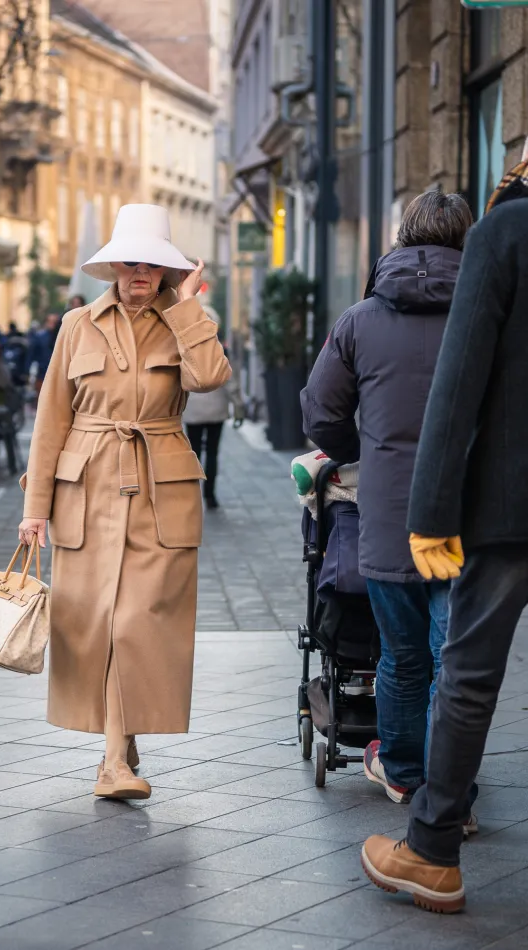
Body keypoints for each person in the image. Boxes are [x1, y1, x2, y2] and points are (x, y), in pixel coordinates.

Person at [18, 203, 230, 800]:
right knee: (99, 625)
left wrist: (187, 304)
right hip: (84, 492)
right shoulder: (76, 324)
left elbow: (211, 378)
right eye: (130, 261)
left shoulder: (186, 318)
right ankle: (116, 755)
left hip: (162, 494)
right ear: (112, 264)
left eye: (153, 263)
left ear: (168, 270)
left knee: (138, 623)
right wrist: (35, 507)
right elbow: (51, 419)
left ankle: (117, 756)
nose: (140, 273)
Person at [361, 161, 528, 913]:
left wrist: (429, 514)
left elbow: (459, 383)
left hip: (510, 506)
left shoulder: (505, 234)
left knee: (466, 675)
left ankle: (432, 851)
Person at [301, 192, 476, 813]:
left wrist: (363, 450)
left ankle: (404, 773)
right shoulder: (492, 313)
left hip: (387, 514)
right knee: (455, 658)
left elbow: (320, 409)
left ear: (403, 238)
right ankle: (451, 788)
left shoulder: (358, 320)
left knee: (402, 658)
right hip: (466, 514)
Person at [184, 326, 244, 509]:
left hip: (193, 409)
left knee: (193, 453)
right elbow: (230, 381)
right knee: (212, 452)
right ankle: (210, 496)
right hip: (216, 408)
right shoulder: (219, 350)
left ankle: (192, 495)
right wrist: (238, 407)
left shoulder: (185, 350)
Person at [28, 312, 61, 394]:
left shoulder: (62, 337)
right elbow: (32, 355)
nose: (52, 324)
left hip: (59, 375)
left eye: (55, 322)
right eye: (50, 322)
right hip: (42, 374)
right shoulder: (40, 337)